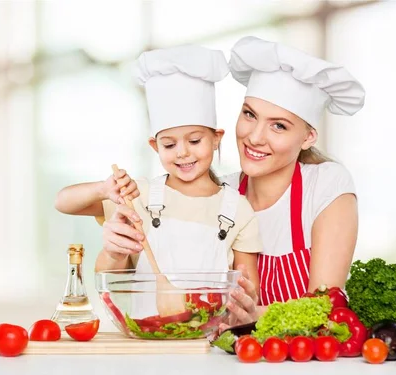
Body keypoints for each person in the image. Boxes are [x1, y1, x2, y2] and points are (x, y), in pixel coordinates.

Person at [54, 45, 262, 295]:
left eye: (195, 141)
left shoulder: (238, 209)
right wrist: (103, 189)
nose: (182, 152)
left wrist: (244, 292)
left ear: (216, 138)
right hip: (144, 330)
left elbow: (249, 288)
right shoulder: (137, 195)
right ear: (155, 146)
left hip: (210, 333)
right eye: (169, 144)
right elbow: (63, 202)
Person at [220, 36, 365, 323]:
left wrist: (252, 316)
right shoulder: (220, 192)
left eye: (278, 125)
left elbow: (324, 307)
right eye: (249, 114)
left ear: (308, 137)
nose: (255, 137)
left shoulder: (327, 185)